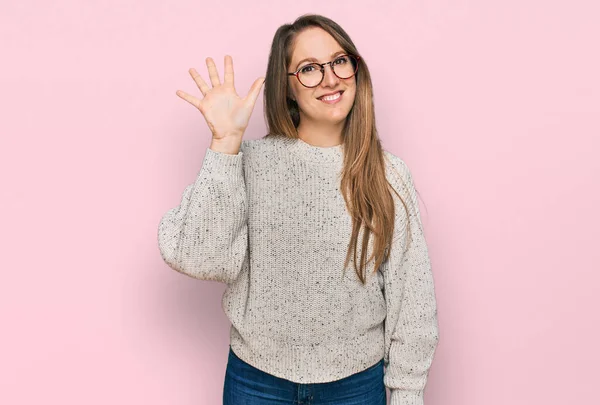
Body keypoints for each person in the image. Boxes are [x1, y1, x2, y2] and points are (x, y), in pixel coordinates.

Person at [158, 13, 440, 405]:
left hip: (356, 386)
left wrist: (408, 394)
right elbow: (199, 257)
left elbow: (413, 300)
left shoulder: (388, 174)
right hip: (256, 382)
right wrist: (225, 143)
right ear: (287, 88)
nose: (330, 77)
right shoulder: (249, 162)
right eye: (309, 68)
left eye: (340, 61)